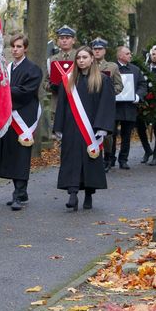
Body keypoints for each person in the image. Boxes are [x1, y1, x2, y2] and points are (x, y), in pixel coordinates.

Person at [53, 46, 115, 211]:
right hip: (71, 127)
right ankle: (72, 193)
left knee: (89, 161)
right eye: (79, 57)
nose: (81, 60)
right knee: (71, 160)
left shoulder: (102, 80)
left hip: (91, 128)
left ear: (92, 59)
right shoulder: (69, 80)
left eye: (84, 57)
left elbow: (106, 105)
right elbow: (61, 105)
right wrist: (58, 127)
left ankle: (88, 193)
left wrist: (102, 127)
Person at [0, 33, 42, 210]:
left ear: (26, 48)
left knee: (22, 156)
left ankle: (18, 193)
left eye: (19, 46)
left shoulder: (33, 69)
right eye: (13, 46)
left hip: (24, 117)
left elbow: (26, 92)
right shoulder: (7, 69)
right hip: (9, 116)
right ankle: (20, 191)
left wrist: (5, 89)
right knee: (12, 154)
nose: (15, 50)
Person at [110, 45, 147, 169]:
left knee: (126, 135)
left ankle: (123, 159)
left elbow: (143, 85)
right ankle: (110, 158)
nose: (130, 55)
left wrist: (138, 96)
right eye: (127, 53)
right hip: (114, 107)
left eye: (130, 53)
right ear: (120, 55)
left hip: (129, 107)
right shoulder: (111, 68)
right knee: (112, 134)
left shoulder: (135, 70)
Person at [89, 38, 122, 171]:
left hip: (106, 105)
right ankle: (94, 155)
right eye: (95, 49)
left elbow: (119, 85)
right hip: (91, 103)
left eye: (99, 49)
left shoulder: (112, 67)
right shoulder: (87, 65)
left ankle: (108, 157)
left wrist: (108, 93)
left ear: (105, 51)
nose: (97, 52)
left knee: (107, 133)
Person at [46, 25, 78, 120]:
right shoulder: (51, 60)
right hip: (57, 103)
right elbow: (45, 81)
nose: (64, 40)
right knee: (56, 133)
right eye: (61, 38)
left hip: (77, 103)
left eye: (67, 38)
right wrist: (51, 86)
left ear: (73, 41)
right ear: (58, 41)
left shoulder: (80, 57)